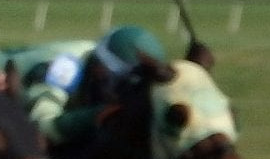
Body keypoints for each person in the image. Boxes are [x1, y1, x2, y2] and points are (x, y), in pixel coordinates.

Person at [11, 24, 168, 144]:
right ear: (99, 65)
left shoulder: (97, 68)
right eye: (117, 79)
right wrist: (97, 114)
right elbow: (43, 129)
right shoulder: (66, 67)